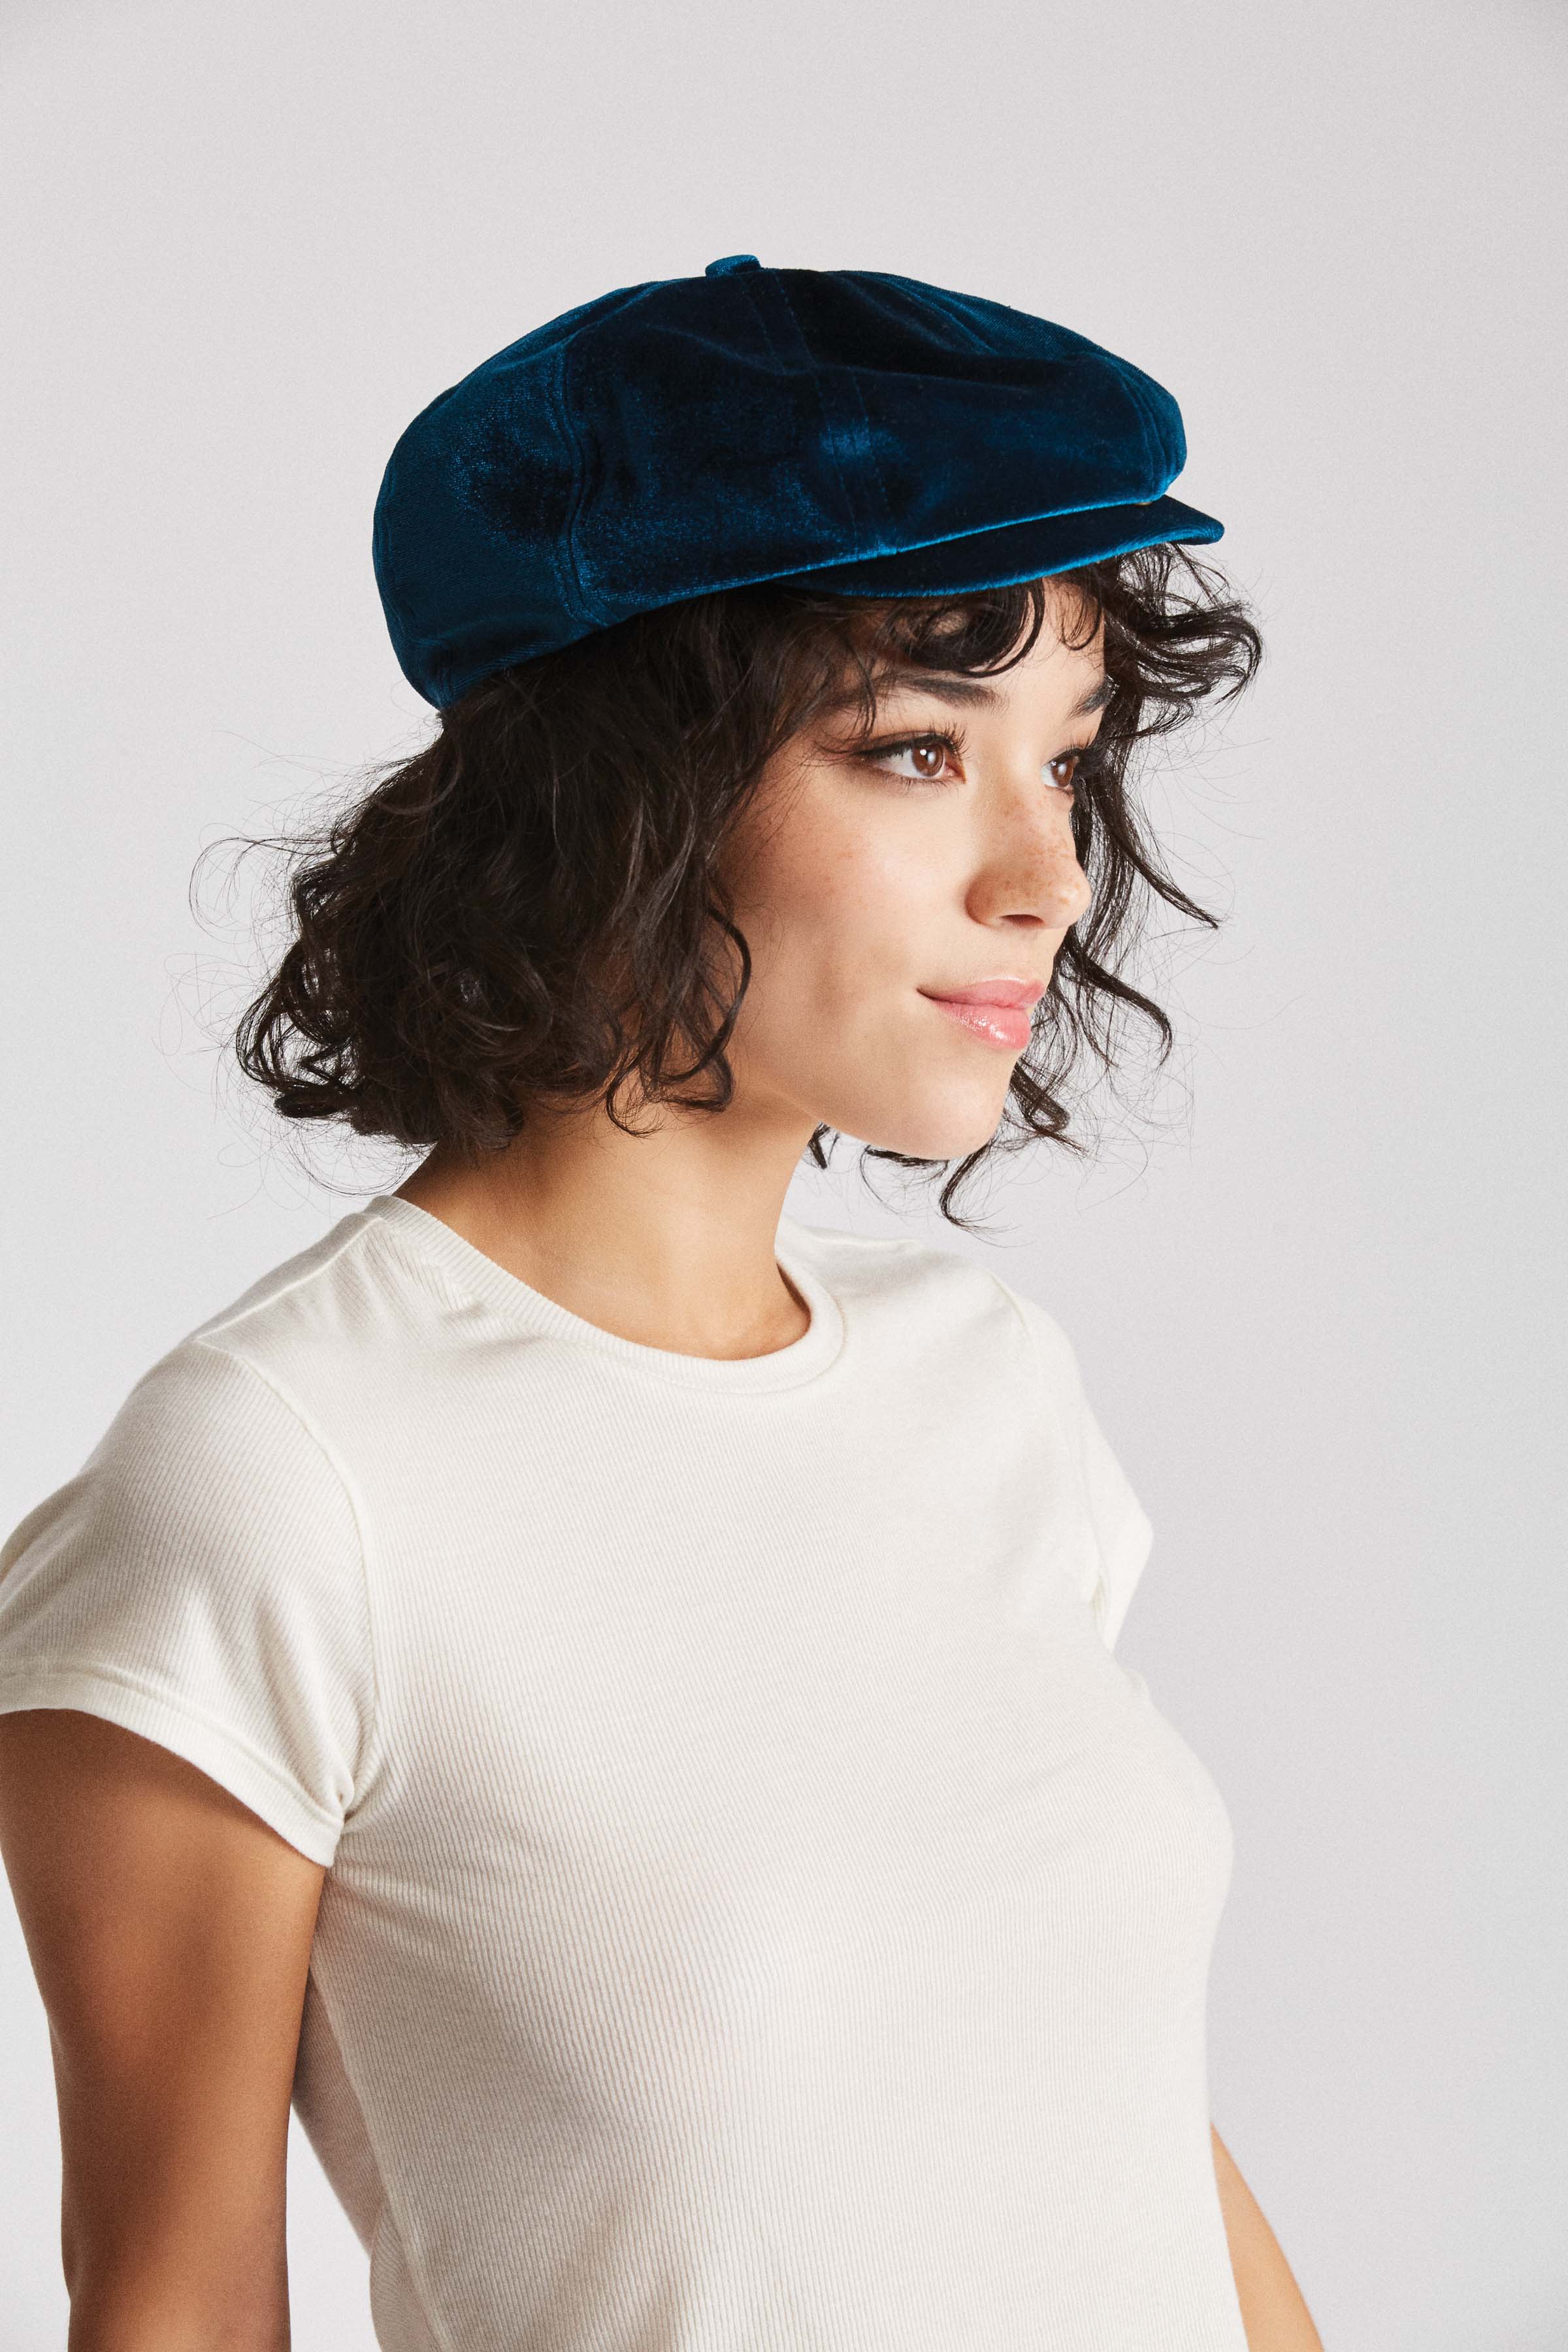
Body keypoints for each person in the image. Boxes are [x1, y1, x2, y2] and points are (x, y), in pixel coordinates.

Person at [0, 254, 1322, 2350]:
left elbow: (1115, 2128)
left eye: (1066, 762)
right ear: (617, 796)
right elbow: (175, 2310)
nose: (1049, 877)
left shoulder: (984, 1384)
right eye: (916, 752)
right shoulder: (278, 1480)